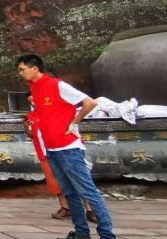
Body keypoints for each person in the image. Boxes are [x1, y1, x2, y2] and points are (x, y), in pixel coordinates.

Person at [17, 54, 116, 239]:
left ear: (34, 68)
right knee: (70, 193)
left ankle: (106, 234)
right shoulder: (35, 89)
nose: (20, 73)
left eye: (22, 69)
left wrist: (74, 122)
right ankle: (81, 233)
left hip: (69, 148)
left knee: (88, 192)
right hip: (51, 149)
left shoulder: (57, 85)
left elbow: (90, 103)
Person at [23, 94, 97, 223]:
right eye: (31, 101)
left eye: (36, 99)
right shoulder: (31, 116)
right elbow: (33, 135)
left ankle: (90, 209)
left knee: (79, 180)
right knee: (56, 182)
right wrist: (25, 127)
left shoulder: (58, 111)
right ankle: (65, 207)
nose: (34, 103)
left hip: (66, 151)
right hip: (45, 152)